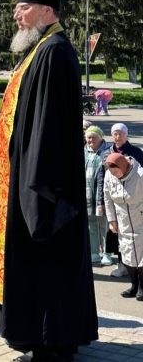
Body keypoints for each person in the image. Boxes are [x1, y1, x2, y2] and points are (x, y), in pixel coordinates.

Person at [0, 0, 98, 361]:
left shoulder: (54, 52)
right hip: (27, 180)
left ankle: (54, 344)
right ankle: (38, 339)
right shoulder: (40, 50)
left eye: (24, 7)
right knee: (37, 269)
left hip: (44, 186)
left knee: (50, 266)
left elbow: (47, 128)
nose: (16, 14)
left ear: (47, 10)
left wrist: (35, 186)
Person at [104, 153, 143, 301]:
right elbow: (107, 198)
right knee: (127, 255)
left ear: (123, 166)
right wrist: (112, 220)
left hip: (140, 220)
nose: (115, 176)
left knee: (141, 256)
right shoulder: (109, 175)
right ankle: (133, 285)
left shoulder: (140, 175)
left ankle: (142, 287)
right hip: (122, 221)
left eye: (117, 173)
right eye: (112, 173)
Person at [107, 123, 143, 277]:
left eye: (120, 133)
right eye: (115, 134)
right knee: (118, 237)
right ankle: (122, 265)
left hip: (134, 201)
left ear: (126, 135)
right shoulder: (107, 152)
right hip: (116, 201)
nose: (117, 137)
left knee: (137, 240)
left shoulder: (135, 152)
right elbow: (104, 178)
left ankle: (138, 272)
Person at [83, 125, 112, 265]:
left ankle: (107, 253)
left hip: (103, 195)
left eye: (94, 137)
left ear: (100, 138)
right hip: (88, 194)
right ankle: (94, 252)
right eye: (88, 137)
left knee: (105, 224)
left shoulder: (108, 151)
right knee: (91, 224)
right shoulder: (84, 151)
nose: (91, 140)